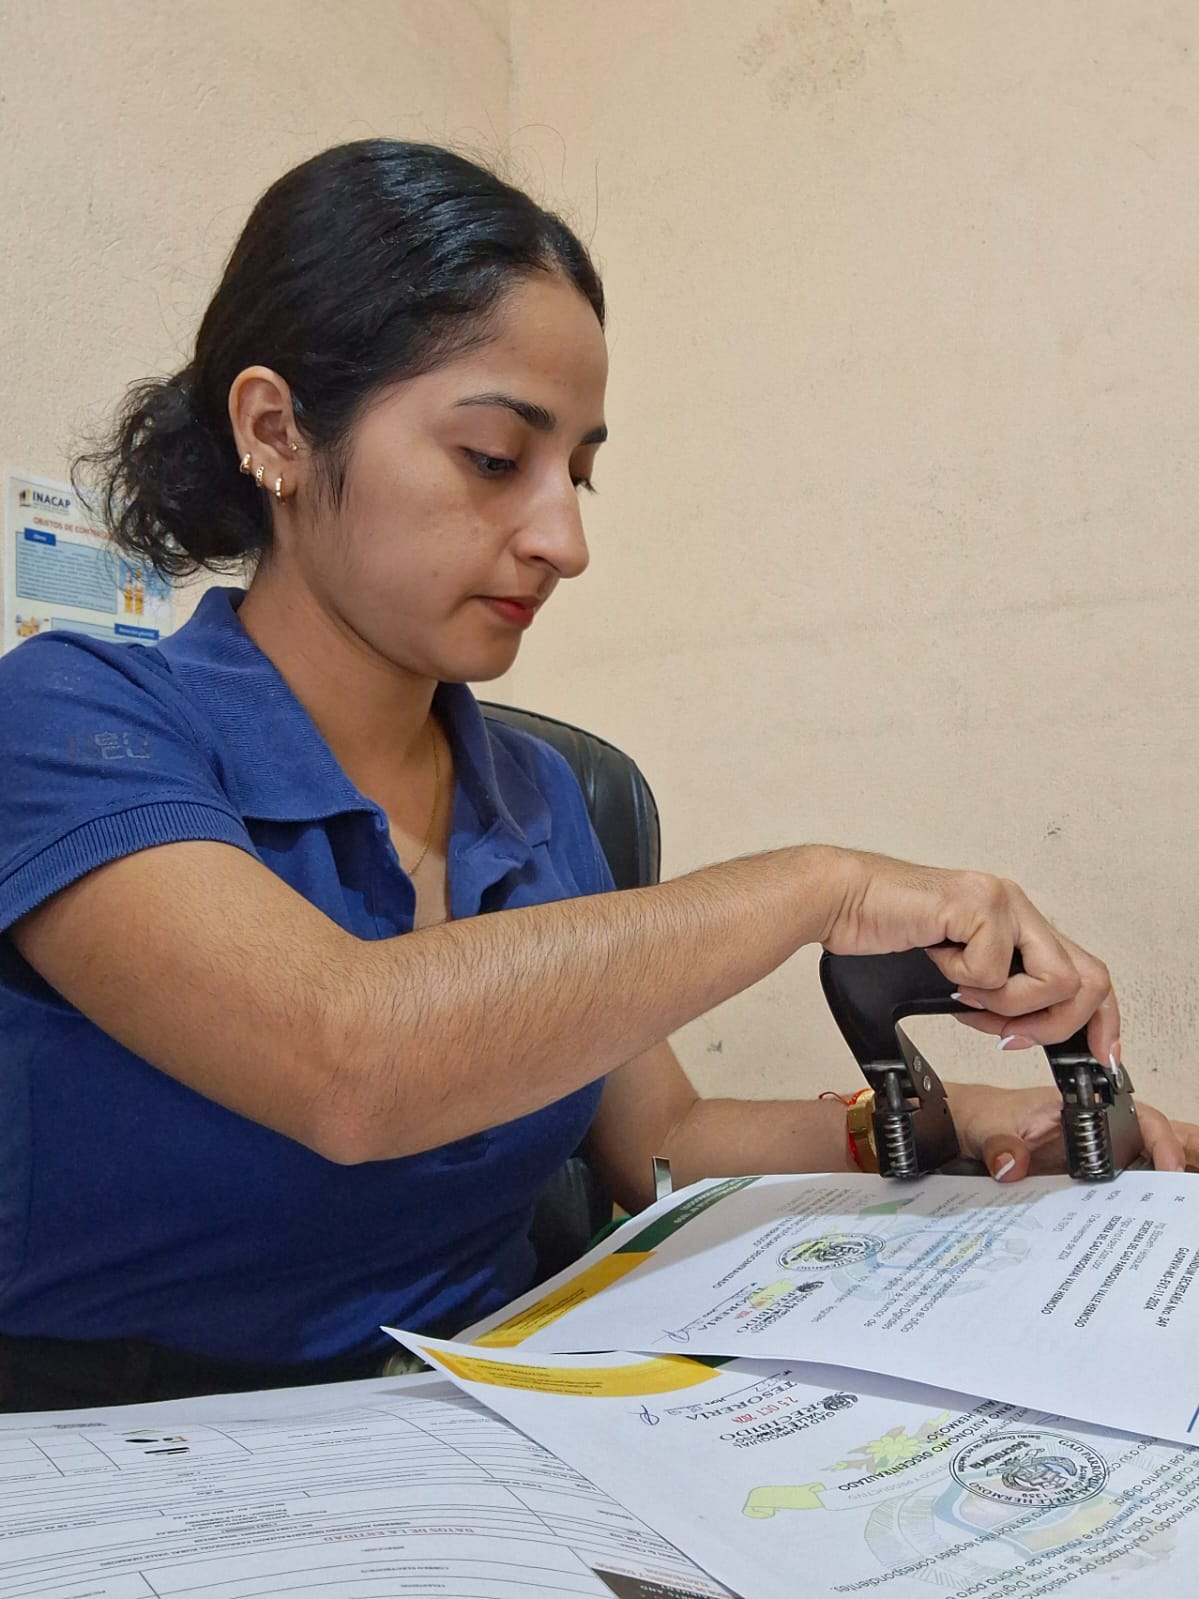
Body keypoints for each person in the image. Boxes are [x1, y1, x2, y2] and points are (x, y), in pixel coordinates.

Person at [0, 141, 1194, 1413]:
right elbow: (346, 1059)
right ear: (276, 430)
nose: (564, 540)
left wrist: (971, 1119)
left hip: (483, 1413)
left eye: (576, 470)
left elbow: (660, 1140)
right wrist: (817, 887)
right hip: (129, 1442)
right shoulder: (73, 719)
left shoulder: (534, 794)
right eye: (492, 457)